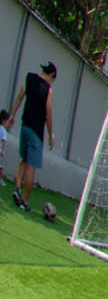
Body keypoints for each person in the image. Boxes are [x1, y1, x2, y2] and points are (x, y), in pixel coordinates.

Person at [8, 61, 56, 215]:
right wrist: (50, 135)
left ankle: (17, 189)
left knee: (24, 160)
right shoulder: (48, 90)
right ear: (51, 76)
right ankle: (24, 201)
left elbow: (20, 96)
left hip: (25, 127)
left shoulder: (29, 78)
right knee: (31, 167)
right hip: (36, 132)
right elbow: (48, 113)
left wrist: (12, 115)